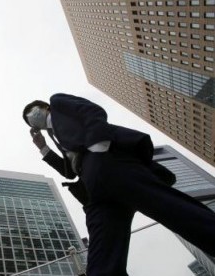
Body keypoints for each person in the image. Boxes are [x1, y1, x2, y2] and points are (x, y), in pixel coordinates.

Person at [22, 93, 215, 276]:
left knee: (171, 209)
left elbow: (92, 111)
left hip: (108, 163)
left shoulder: (58, 103)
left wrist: (98, 150)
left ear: (44, 106)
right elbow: (69, 172)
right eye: (28, 119)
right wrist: (43, 148)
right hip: (93, 186)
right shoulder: (55, 137)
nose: (31, 117)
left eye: (32, 110)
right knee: (102, 255)